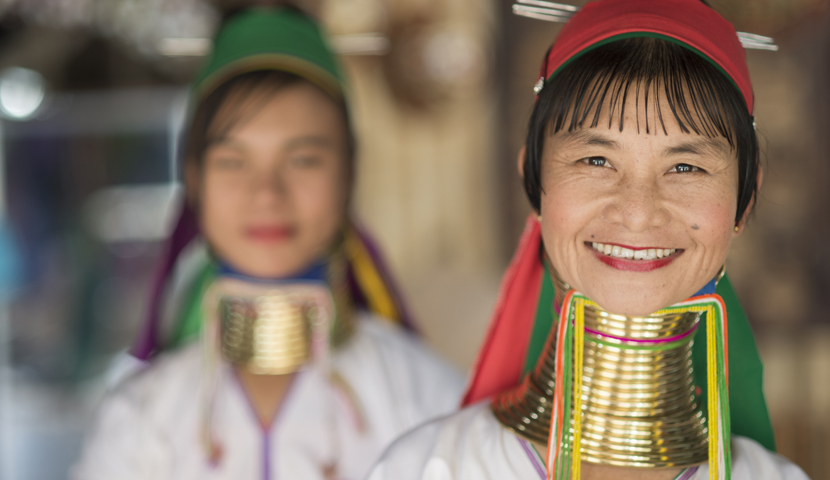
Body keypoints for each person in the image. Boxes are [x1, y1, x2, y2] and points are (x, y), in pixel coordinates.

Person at [368, 0, 810, 479]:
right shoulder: (429, 467)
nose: (638, 213)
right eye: (596, 160)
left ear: (745, 201)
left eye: (686, 167)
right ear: (533, 181)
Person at [73, 7, 463, 480]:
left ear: (350, 174)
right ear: (192, 181)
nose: (267, 193)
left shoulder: (427, 399)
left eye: (302, 160)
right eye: (233, 162)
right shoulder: (138, 420)